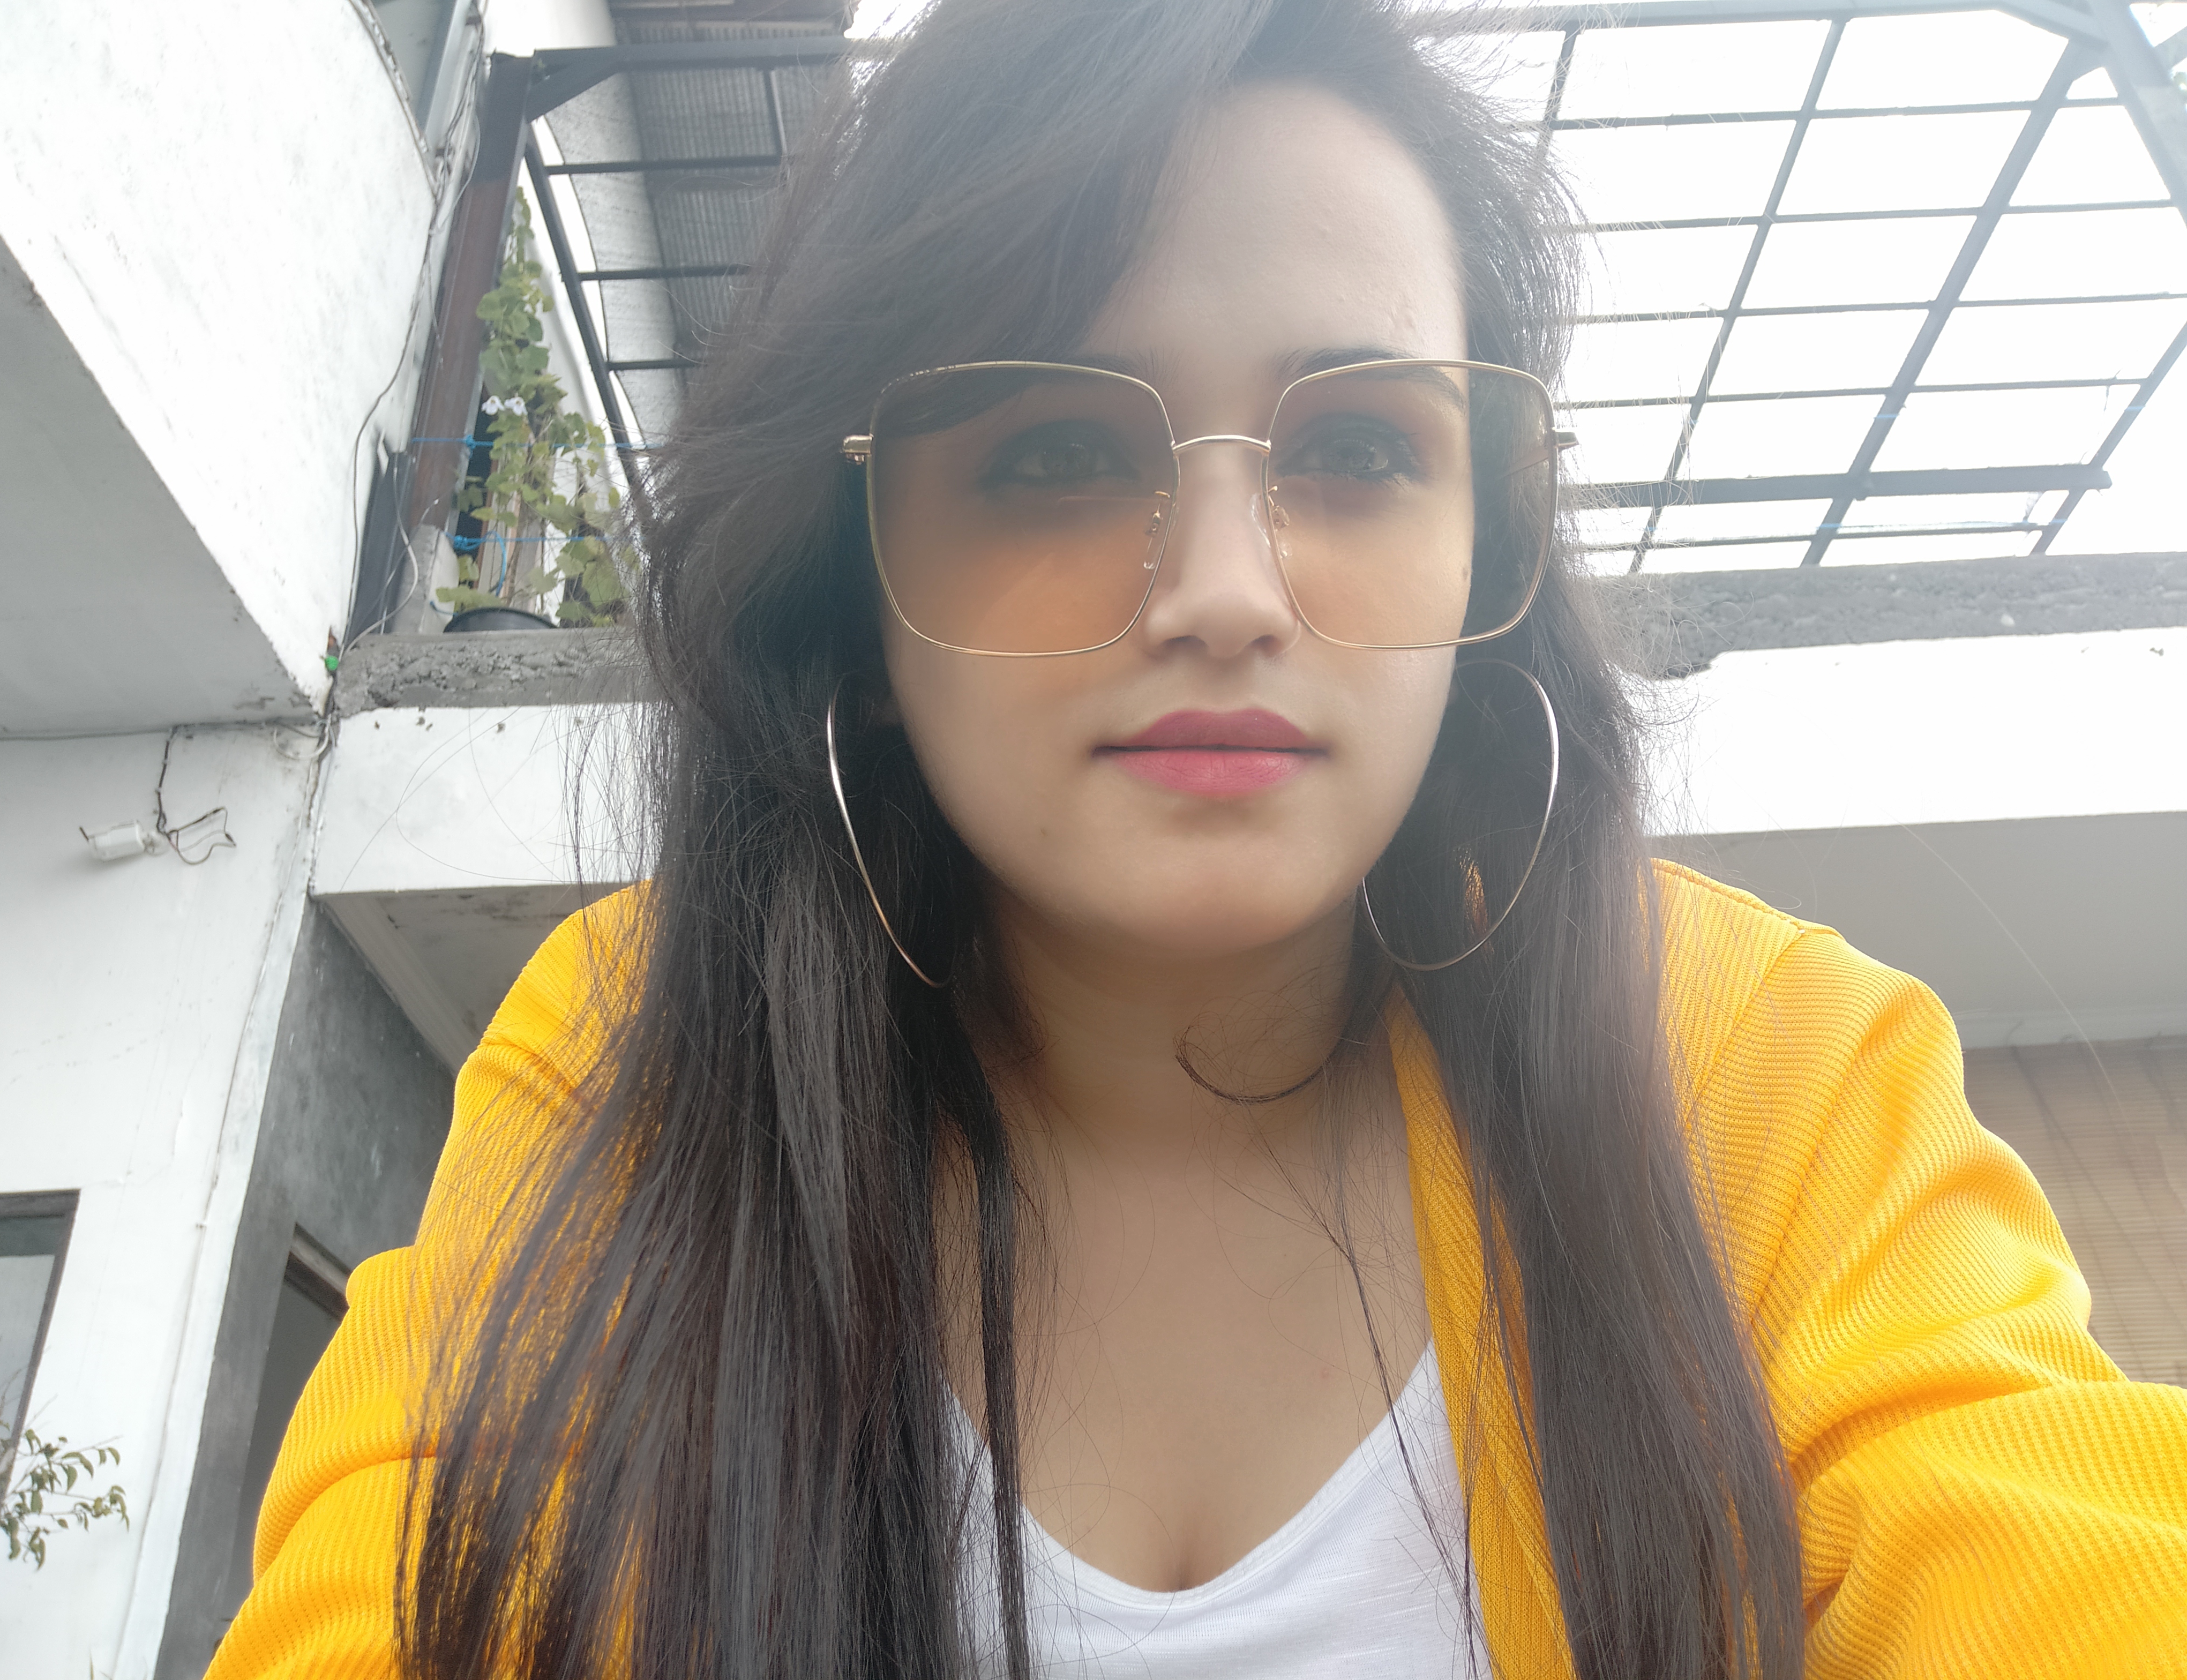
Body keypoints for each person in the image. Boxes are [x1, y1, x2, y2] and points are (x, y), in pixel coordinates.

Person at [206, 2, 2187, 1676]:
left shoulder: (1768, 1068)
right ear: (857, 590)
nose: (1230, 591)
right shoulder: (640, 1059)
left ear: (1486, 543)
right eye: (1059, 453)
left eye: (1361, 449)